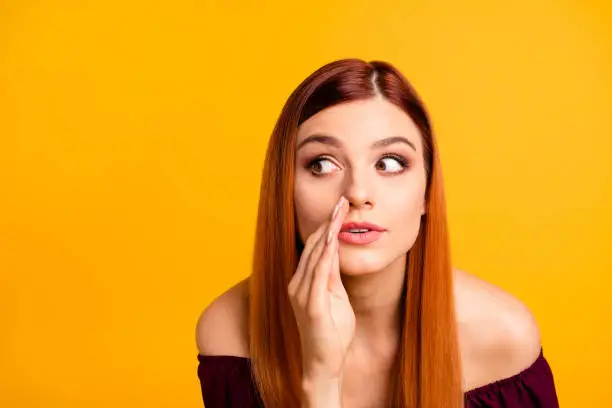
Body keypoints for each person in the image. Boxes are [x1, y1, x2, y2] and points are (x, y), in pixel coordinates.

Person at [195, 58, 559, 408]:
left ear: (427, 193)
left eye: (389, 163)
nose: (357, 193)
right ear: (285, 190)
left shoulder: (503, 341)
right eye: (322, 164)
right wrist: (321, 380)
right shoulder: (230, 338)